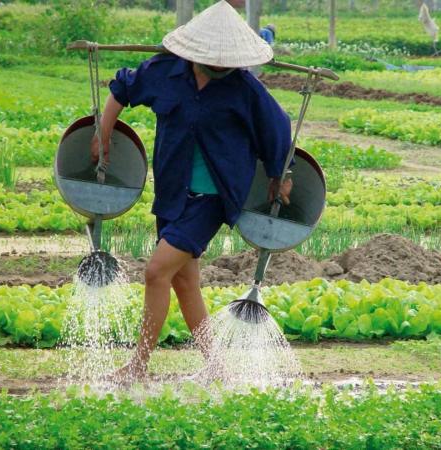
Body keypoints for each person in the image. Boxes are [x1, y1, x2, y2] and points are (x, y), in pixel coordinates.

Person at [91, 0, 292, 381]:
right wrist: (103, 134)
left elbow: (278, 129)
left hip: (212, 200)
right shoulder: (165, 71)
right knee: (185, 281)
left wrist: (281, 177)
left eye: (225, 64)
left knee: (155, 272)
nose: (219, 69)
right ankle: (217, 367)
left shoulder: (244, 88)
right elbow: (122, 88)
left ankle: (138, 365)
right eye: (212, 62)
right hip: (171, 193)